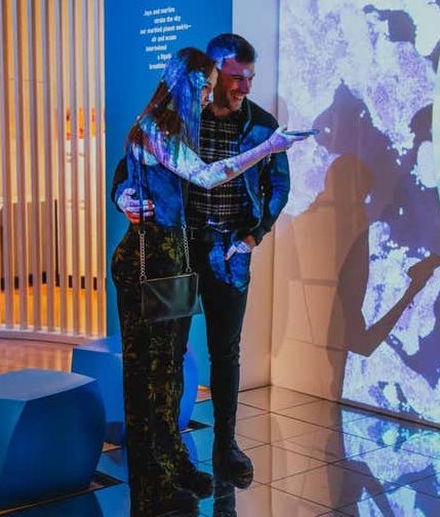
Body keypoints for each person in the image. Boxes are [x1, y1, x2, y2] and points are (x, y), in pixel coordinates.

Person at [110, 47, 303, 516]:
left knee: (173, 369)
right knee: (149, 372)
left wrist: (253, 235)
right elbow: (203, 175)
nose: (213, 92)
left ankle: (175, 462)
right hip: (152, 258)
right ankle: (152, 477)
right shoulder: (157, 126)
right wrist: (268, 148)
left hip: (178, 256)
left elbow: (274, 187)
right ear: (188, 82)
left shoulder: (181, 125)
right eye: (208, 84)